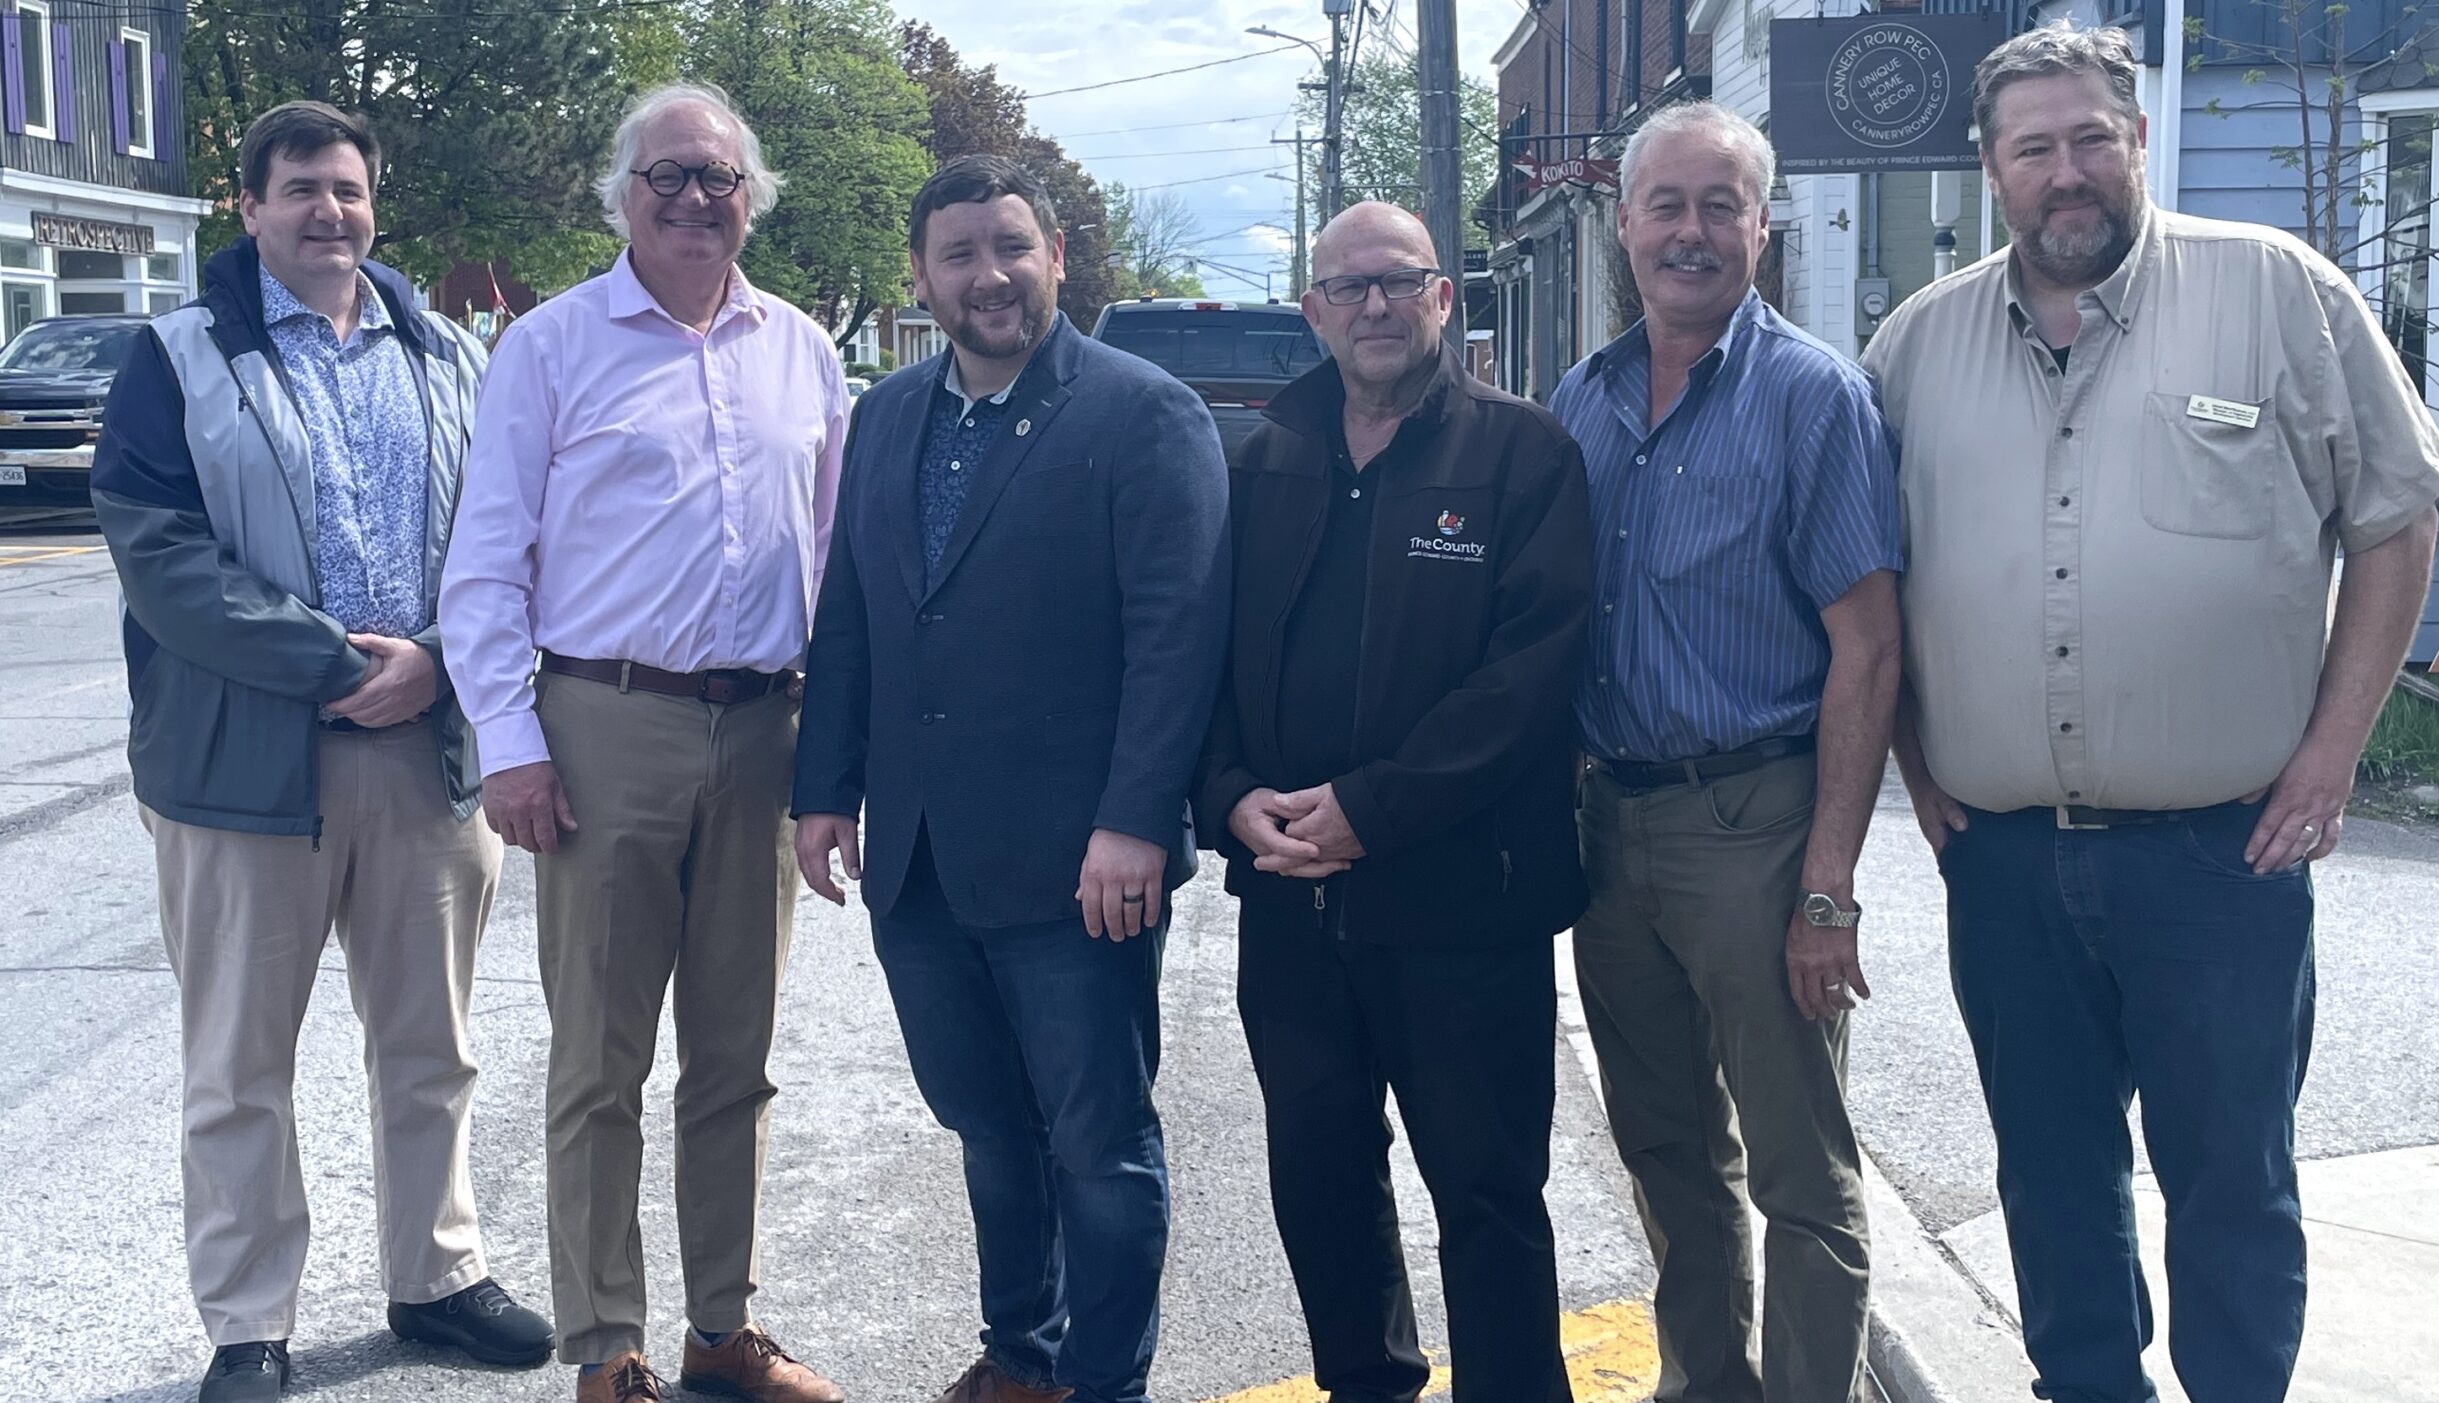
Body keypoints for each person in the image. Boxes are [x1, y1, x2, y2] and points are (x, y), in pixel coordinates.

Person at [1861, 25, 2439, 1403]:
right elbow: (1866, 576)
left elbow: (2396, 518)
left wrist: (2331, 753)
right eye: (2034, 147)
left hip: (2220, 854)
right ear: (1991, 166)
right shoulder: (1914, 348)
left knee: (2230, 1175)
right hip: (2001, 855)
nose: (2067, 172)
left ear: (2136, 142)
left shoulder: (2277, 294)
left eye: (2090, 139)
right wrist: (1915, 762)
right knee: (2050, 1170)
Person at [89, 99, 553, 1403]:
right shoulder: (175, 357)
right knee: (239, 1062)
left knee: (433, 1040)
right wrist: (342, 667)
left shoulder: (450, 354)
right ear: (250, 208)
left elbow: (513, 542)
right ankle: (248, 1321)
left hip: (425, 753)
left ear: (374, 203)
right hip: (243, 770)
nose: (326, 211)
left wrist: (441, 665)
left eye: (346, 188)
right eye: (298, 188)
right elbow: (161, 556)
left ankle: (438, 1271)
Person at [790, 155, 1228, 1403]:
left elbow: (1176, 636)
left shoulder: (1143, 413)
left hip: (1081, 863)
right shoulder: (886, 415)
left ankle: (1102, 1381)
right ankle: (1020, 1355)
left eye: (1010, 247)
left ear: (1056, 258)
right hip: (921, 856)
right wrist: (827, 785)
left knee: (1098, 1140)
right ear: (921, 277)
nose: (988, 275)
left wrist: (1137, 820)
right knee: (987, 1124)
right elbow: (856, 615)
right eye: (960, 254)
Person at [438, 82, 849, 1403]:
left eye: (717, 177)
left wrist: (835, 756)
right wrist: (510, 741)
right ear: (624, 195)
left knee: (739, 1050)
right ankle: (606, 1342)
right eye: (665, 175)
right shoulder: (549, 349)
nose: (691, 198)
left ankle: (722, 1328)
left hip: (765, 724)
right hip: (603, 721)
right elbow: (486, 566)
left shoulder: (803, 352)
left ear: (750, 199)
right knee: (600, 1058)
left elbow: (841, 568)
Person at [1195, 200, 1593, 1403]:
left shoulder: (1523, 455)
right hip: (1292, 904)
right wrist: (1227, 797)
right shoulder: (1257, 460)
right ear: (1312, 310)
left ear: (1443, 298)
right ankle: (1366, 1381)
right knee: (1318, 1173)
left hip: (1466, 900)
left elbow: (1531, 676)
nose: (1372, 306)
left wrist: (1375, 805)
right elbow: (1198, 663)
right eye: (1347, 286)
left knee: (1486, 1189)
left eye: (1397, 282)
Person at [1548, 100, 1902, 1402]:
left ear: (1763, 225)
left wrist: (1826, 883)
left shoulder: (1815, 398)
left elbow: (1867, 648)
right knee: (1664, 1145)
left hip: (1752, 821)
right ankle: (1708, 1380)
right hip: (1606, 830)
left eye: (1719, 205)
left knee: (1802, 1166)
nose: (1690, 231)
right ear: (1624, 223)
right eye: (1666, 205)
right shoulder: (1576, 402)